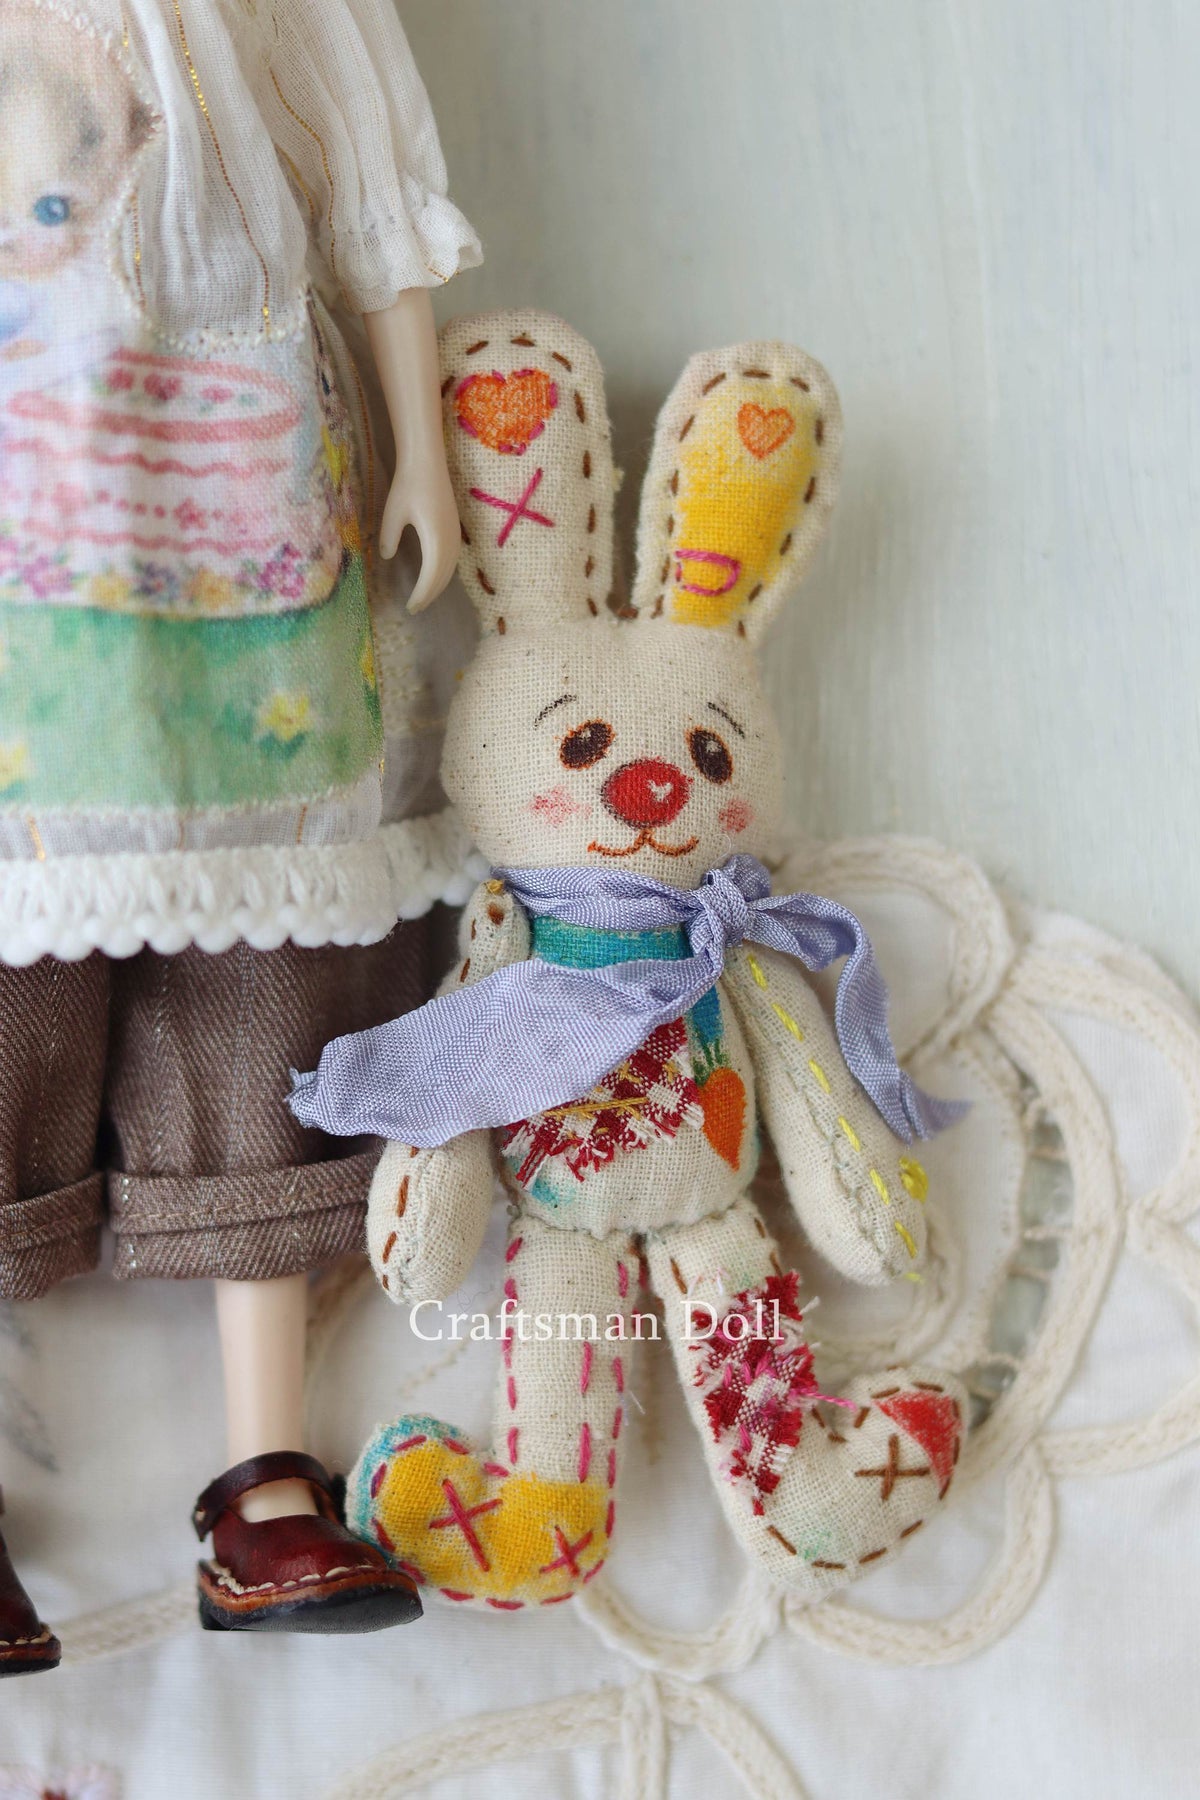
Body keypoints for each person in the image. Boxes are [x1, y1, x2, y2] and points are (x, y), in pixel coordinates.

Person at [0, 0, 479, 1667]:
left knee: (269, 989)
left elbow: (370, 183)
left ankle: (268, 1485)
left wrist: (421, 450)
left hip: (248, 496)